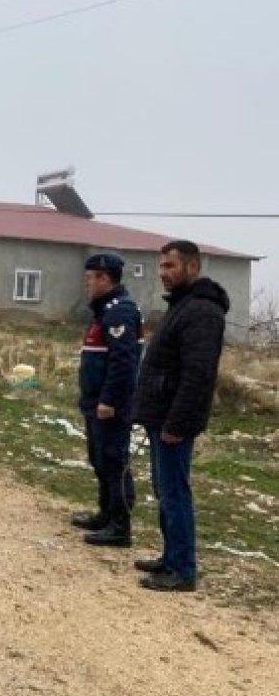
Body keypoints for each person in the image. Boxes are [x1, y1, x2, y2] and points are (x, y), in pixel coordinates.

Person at [132, 240, 229, 592]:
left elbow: (197, 375)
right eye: (161, 267)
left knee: (174, 492)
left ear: (192, 267)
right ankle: (170, 557)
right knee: (164, 489)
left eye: (170, 267)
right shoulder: (182, 306)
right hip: (162, 416)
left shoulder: (202, 311)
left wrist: (177, 423)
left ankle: (183, 569)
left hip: (174, 421)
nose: (163, 274)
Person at [72, 253, 143, 548]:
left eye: (90, 279)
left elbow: (123, 362)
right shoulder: (103, 311)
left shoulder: (119, 311)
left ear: (105, 279)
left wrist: (109, 400)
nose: (86, 284)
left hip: (110, 405)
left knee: (114, 460)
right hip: (95, 402)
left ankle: (120, 525)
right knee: (100, 458)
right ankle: (105, 513)